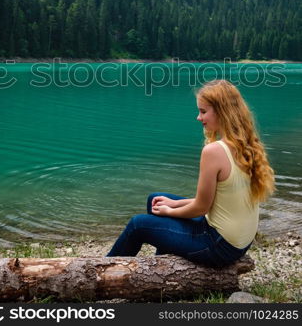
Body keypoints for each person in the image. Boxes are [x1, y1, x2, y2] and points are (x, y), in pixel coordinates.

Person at [106, 79, 275, 266]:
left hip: (218, 246)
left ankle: (100, 274)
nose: (198, 117)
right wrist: (174, 203)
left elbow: (201, 208)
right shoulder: (247, 144)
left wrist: (170, 210)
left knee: (137, 225)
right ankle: (164, 266)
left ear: (222, 111)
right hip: (239, 242)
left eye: (203, 111)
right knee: (156, 199)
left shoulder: (214, 151)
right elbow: (215, 202)